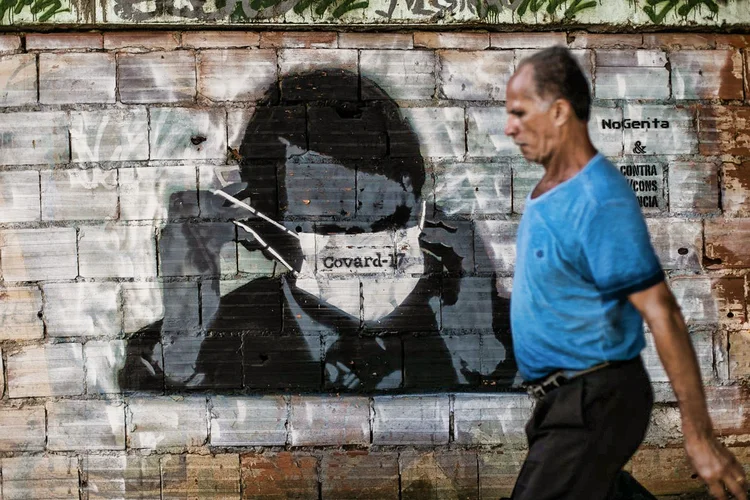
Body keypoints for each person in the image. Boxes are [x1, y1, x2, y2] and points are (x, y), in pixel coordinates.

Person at [118, 69, 517, 392]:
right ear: (265, 224)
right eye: (328, 227)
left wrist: (478, 337)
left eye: (384, 223)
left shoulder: (504, 328)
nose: (358, 247)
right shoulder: (197, 340)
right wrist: (188, 315)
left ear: (420, 213)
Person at [504, 46, 747, 500]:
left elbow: (663, 313)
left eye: (519, 112)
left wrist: (699, 438)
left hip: (593, 401)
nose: (509, 127)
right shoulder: (549, 191)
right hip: (563, 403)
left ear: (558, 112)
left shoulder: (598, 199)